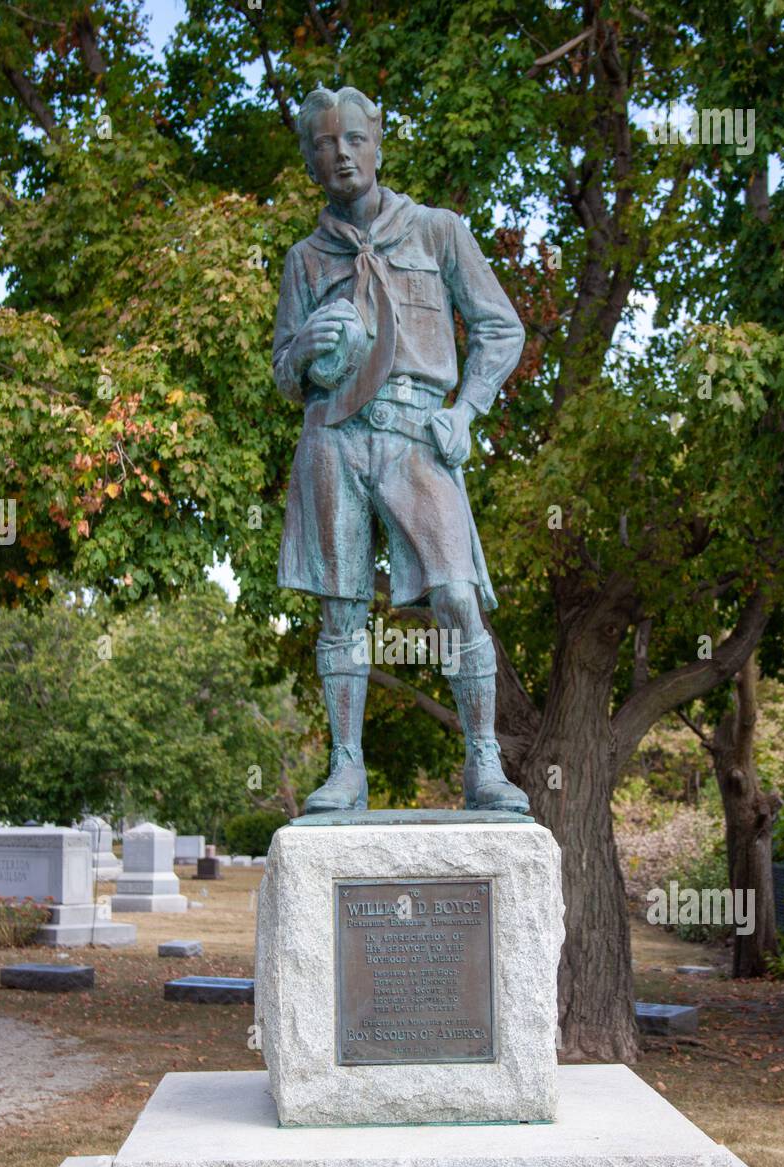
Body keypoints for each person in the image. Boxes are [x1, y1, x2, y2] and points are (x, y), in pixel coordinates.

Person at [273, 85, 530, 815]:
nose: (340, 154)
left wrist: (468, 410)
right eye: (323, 144)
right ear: (310, 160)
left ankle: (484, 761)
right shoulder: (305, 259)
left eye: (353, 139)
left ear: (378, 145)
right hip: (332, 436)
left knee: (456, 593)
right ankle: (346, 766)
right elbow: (283, 374)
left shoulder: (437, 231)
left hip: (418, 429)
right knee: (341, 607)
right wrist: (305, 350)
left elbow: (500, 329)